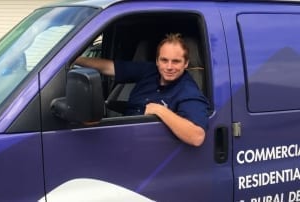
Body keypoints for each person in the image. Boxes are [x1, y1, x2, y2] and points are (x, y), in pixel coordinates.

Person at [75, 33, 209, 146]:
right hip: (120, 137)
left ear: (186, 63)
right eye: (164, 60)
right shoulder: (149, 70)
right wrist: (74, 59)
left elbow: (197, 137)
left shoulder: (188, 90)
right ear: (157, 61)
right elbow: (108, 67)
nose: (169, 67)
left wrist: (160, 111)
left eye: (176, 61)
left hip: (145, 147)